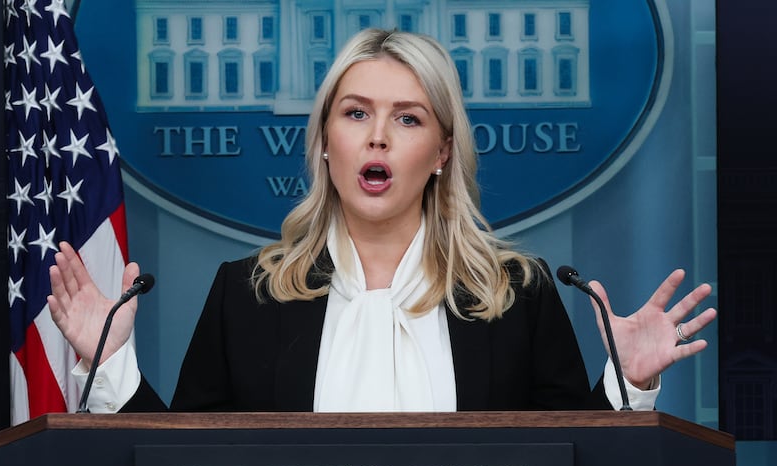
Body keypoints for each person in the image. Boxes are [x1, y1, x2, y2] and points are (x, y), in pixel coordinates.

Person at [47, 28, 716, 414]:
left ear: (441, 153)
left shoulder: (520, 292)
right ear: (326, 140)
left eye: (408, 118)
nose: (378, 138)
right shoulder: (245, 293)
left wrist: (628, 383)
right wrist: (108, 364)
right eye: (356, 112)